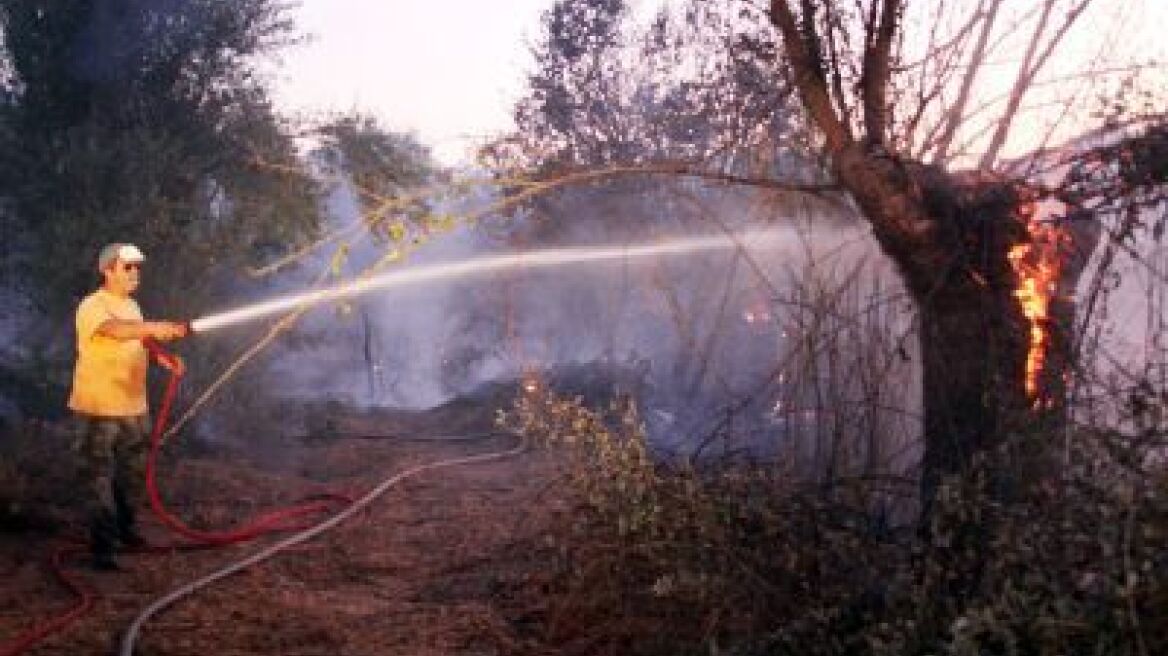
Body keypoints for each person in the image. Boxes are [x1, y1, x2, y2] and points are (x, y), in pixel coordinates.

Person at [68, 243, 188, 570]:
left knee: (132, 476)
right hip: (98, 409)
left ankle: (124, 529)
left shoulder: (133, 306)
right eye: (127, 267)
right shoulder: (92, 307)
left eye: (137, 268)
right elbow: (115, 332)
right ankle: (103, 550)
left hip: (134, 409)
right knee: (98, 480)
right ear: (107, 270)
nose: (135, 273)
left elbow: (139, 341)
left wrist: (163, 357)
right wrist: (155, 327)